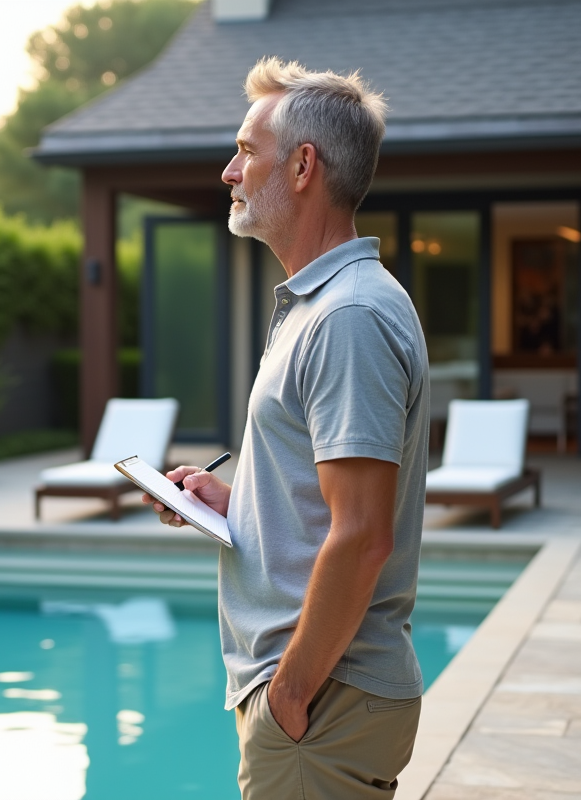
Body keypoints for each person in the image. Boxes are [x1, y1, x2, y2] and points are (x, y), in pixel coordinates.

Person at [144, 57, 430, 799]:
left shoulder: (348, 318)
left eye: (246, 150)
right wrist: (231, 500)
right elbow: (321, 503)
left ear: (303, 166)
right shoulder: (317, 306)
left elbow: (364, 534)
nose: (228, 171)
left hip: (322, 700)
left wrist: (290, 696)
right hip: (317, 698)